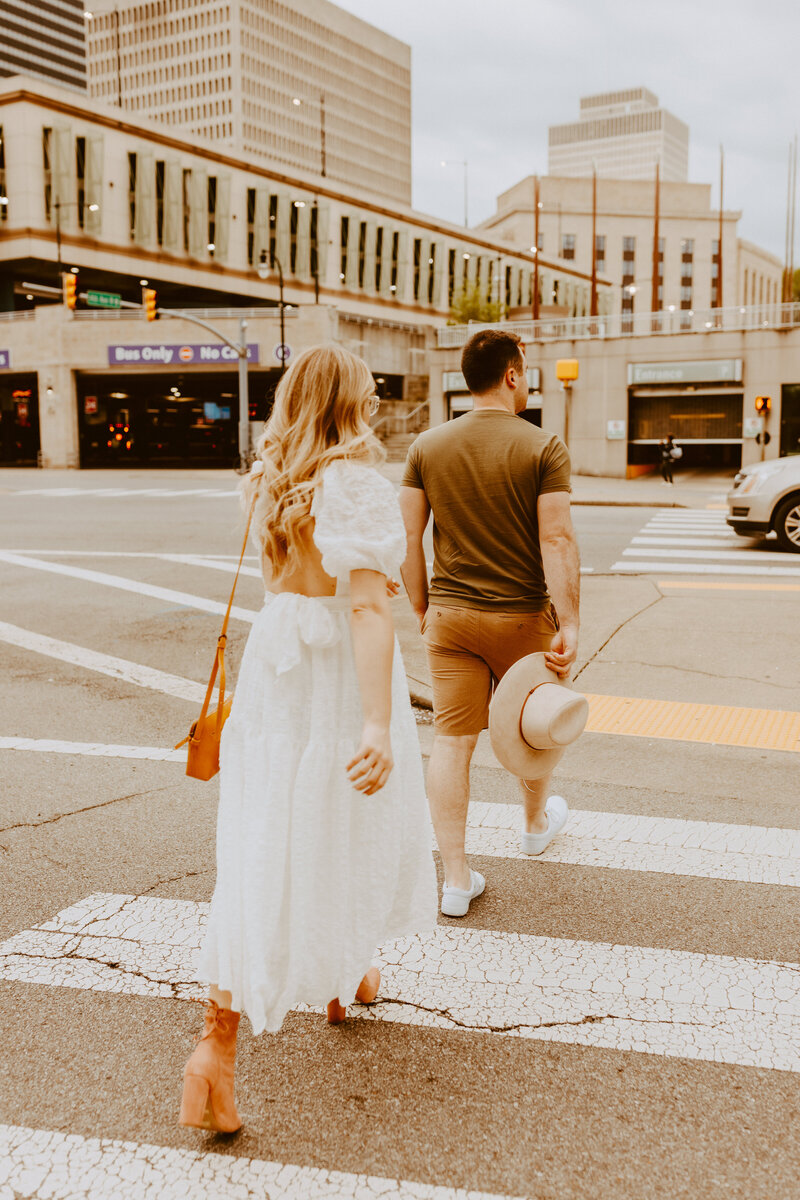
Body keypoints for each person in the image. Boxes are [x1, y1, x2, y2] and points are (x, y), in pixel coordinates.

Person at [180, 345, 438, 1133]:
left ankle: (226, 1046)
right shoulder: (356, 484)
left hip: (277, 666)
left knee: (267, 834)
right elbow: (364, 609)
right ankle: (335, 975)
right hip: (332, 675)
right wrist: (373, 721)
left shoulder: (268, 477)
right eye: (367, 395)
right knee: (347, 818)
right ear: (349, 403)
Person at [399, 330, 580, 918]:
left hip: (450, 617)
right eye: (524, 372)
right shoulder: (543, 446)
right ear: (509, 375)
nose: (527, 382)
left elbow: (410, 540)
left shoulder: (426, 446)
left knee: (452, 743)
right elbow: (555, 537)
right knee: (533, 723)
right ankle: (532, 825)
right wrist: (570, 620)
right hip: (522, 617)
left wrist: (424, 607)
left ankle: (454, 880)